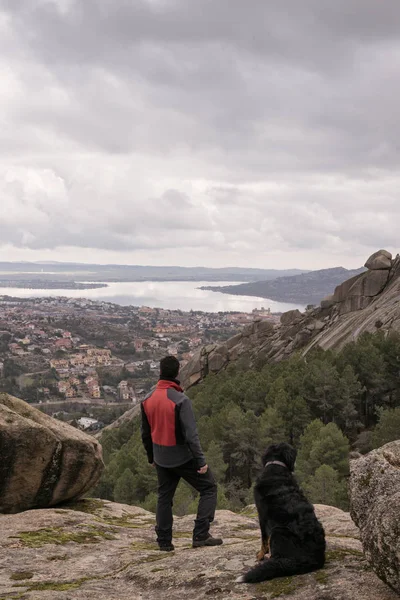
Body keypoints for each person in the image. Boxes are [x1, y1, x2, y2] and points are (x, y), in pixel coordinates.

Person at [141, 355, 222, 551]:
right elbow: (191, 435)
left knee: (164, 497)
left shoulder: (147, 399)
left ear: (160, 371)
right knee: (208, 488)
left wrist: (151, 457)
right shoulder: (180, 400)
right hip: (183, 458)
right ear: (178, 372)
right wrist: (201, 461)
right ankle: (200, 535)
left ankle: (164, 542)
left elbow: (145, 434)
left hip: (161, 457)